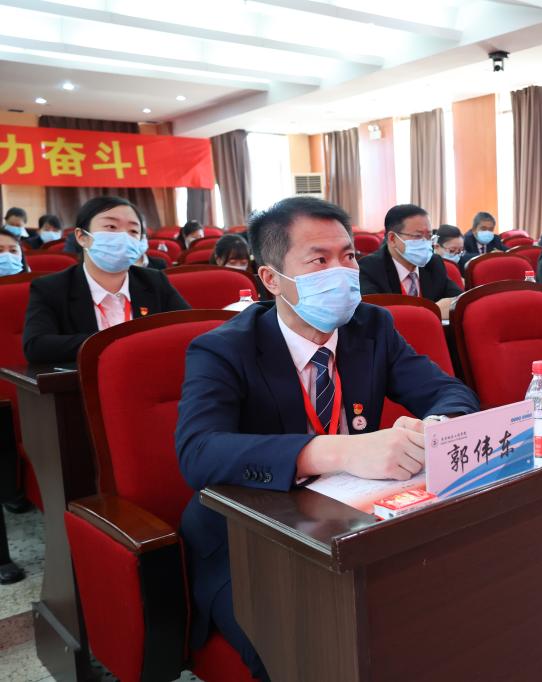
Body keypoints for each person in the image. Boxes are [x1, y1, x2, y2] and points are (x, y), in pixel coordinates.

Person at [175, 196, 479, 680]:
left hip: (352, 524)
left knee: (445, 611)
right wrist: (338, 451)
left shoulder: (371, 327)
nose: (341, 272)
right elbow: (198, 452)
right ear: (272, 278)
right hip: (250, 543)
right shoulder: (223, 349)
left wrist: (435, 428)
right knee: (311, 650)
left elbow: (450, 392)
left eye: (349, 256)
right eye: (319, 260)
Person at [22, 196, 190, 365]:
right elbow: (36, 346)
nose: (123, 237)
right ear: (82, 237)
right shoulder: (50, 288)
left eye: (133, 231)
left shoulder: (155, 281)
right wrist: (115, 342)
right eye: (111, 227)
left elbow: (189, 328)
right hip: (86, 379)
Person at [358, 204, 463, 319]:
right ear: (392, 239)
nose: (425, 243)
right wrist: (433, 311)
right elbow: (376, 317)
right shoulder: (369, 268)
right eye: (418, 236)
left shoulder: (434, 263)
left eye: (429, 236)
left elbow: (459, 299)